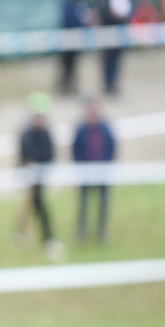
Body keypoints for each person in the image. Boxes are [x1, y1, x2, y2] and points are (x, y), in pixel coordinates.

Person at [16, 92, 62, 259]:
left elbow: (49, 155)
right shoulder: (25, 134)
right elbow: (23, 156)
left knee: (36, 206)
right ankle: (40, 237)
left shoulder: (45, 134)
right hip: (29, 178)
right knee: (35, 206)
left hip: (41, 178)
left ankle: (25, 234)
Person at [72, 95, 117, 243]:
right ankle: (81, 231)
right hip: (85, 172)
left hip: (102, 171)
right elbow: (75, 150)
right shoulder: (80, 129)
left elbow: (111, 147)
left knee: (103, 203)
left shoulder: (105, 128)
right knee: (83, 203)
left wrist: (106, 166)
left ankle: (101, 232)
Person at [95, 0, 135, 97]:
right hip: (108, 30)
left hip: (121, 30)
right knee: (107, 58)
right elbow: (101, 7)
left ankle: (113, 84)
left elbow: (132, 7)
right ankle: (107, 84)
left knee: (117, 59)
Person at [57, 0, 96, 96]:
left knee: (75, 64)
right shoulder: (68, 2)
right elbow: (70, 20)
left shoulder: (82, 2)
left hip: (78, 39)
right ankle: (64, 87)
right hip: (68, 38)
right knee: (66, 65)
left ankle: (72, 86)